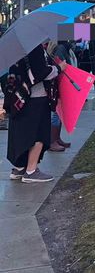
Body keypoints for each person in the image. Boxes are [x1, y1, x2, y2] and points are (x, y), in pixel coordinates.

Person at [6, 45, 66, 183]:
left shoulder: (13, 48)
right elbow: (41, 72)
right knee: (39, 133)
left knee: (21, 132)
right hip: (36, 97)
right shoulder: (34, 47)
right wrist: (59, 68)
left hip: (18, 98)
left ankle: (19, 168)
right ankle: (31, 171)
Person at [45, 41, 73, 151]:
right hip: (58, 82)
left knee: (59, 112)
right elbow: (60, 65)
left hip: (57, 81)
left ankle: (56, 139)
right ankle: (53, 141)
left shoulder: (60, 47)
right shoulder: (61, 47)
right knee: (56, 113)